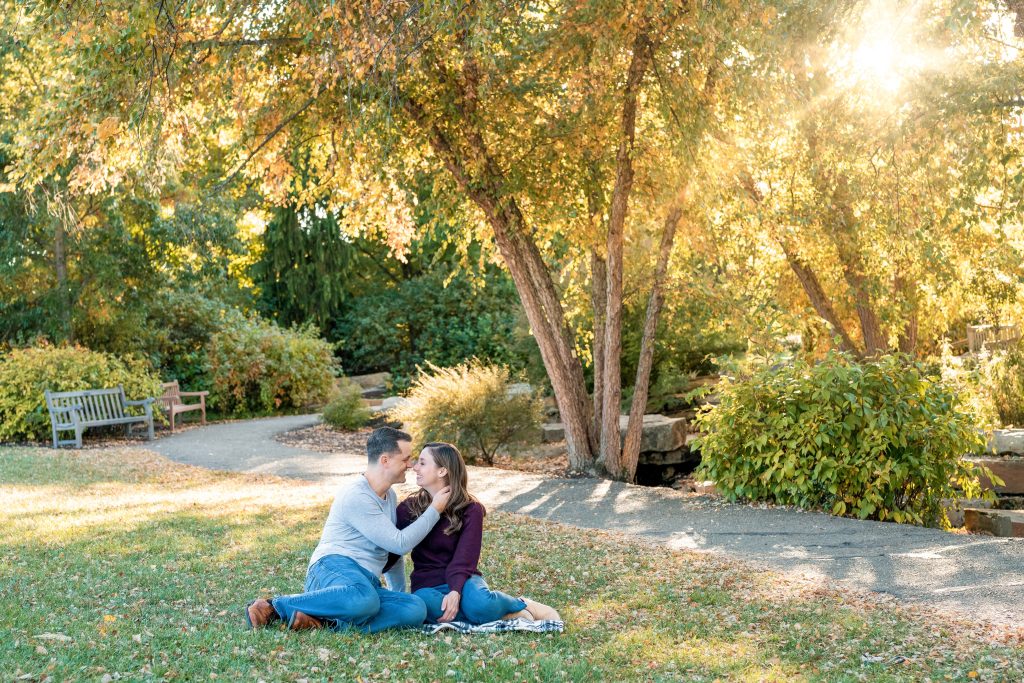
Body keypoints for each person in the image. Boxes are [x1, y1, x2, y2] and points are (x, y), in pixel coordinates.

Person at [244, 427, 451, 632]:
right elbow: (401, 543)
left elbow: (392, 550)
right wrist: (434, 509)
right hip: (333, 568)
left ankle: (324, 622)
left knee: (414, 608)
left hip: (364, 584)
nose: (411, 465)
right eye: (406, 459)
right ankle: (274, 606)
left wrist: (398, 594)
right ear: (385, 460)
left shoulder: (390, 497)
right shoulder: (356, 495)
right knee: (365, 599)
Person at [396, 442, 560, 624]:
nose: (415, 467)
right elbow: (392, 547)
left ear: (442, 471)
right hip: (428, 584)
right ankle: (496, 614)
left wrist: (455, 591)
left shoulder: (471, 510)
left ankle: (522, 604)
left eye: (422, 463)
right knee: (424, 606)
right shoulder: (408, 508)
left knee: (481, 605)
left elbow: (465, 558)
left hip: (464, 579)